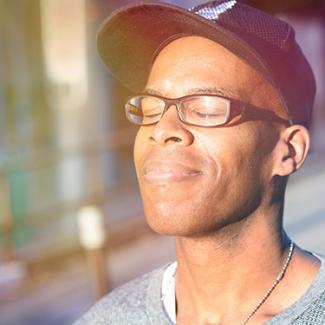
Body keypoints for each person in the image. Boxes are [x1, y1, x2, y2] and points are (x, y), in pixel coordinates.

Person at [75, 1, 325, 324]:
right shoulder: (106, 320)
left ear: (288, 151)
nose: (162, 130)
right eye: (152, 106)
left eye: (205, 108)